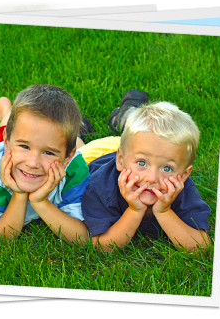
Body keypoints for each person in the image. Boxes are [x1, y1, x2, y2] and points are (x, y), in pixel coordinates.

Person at [79, 96, 211, 251]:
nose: (151, 178)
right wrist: (134, 211)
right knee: (75, 146)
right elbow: (103, 246)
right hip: (95, 154)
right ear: (120, 161)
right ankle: (77, 127)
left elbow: (201, 248)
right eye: (142, 164)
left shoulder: (182, 189)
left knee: (134, 139)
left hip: (135, 150)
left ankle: (128, 111)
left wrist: (164, 211)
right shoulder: (100, 186)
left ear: (183, 175)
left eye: (167, 168)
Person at [0, 84, 90, 244]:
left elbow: (82, 237)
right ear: (7, 142)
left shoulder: (74, 168)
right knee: (7, 127)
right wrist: (19, 195)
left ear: (67, 157)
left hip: (22, 139)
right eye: (25, 147)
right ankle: (5, 110)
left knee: (74, 144)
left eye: (49, 152)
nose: (33, 163)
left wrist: (41, 202)